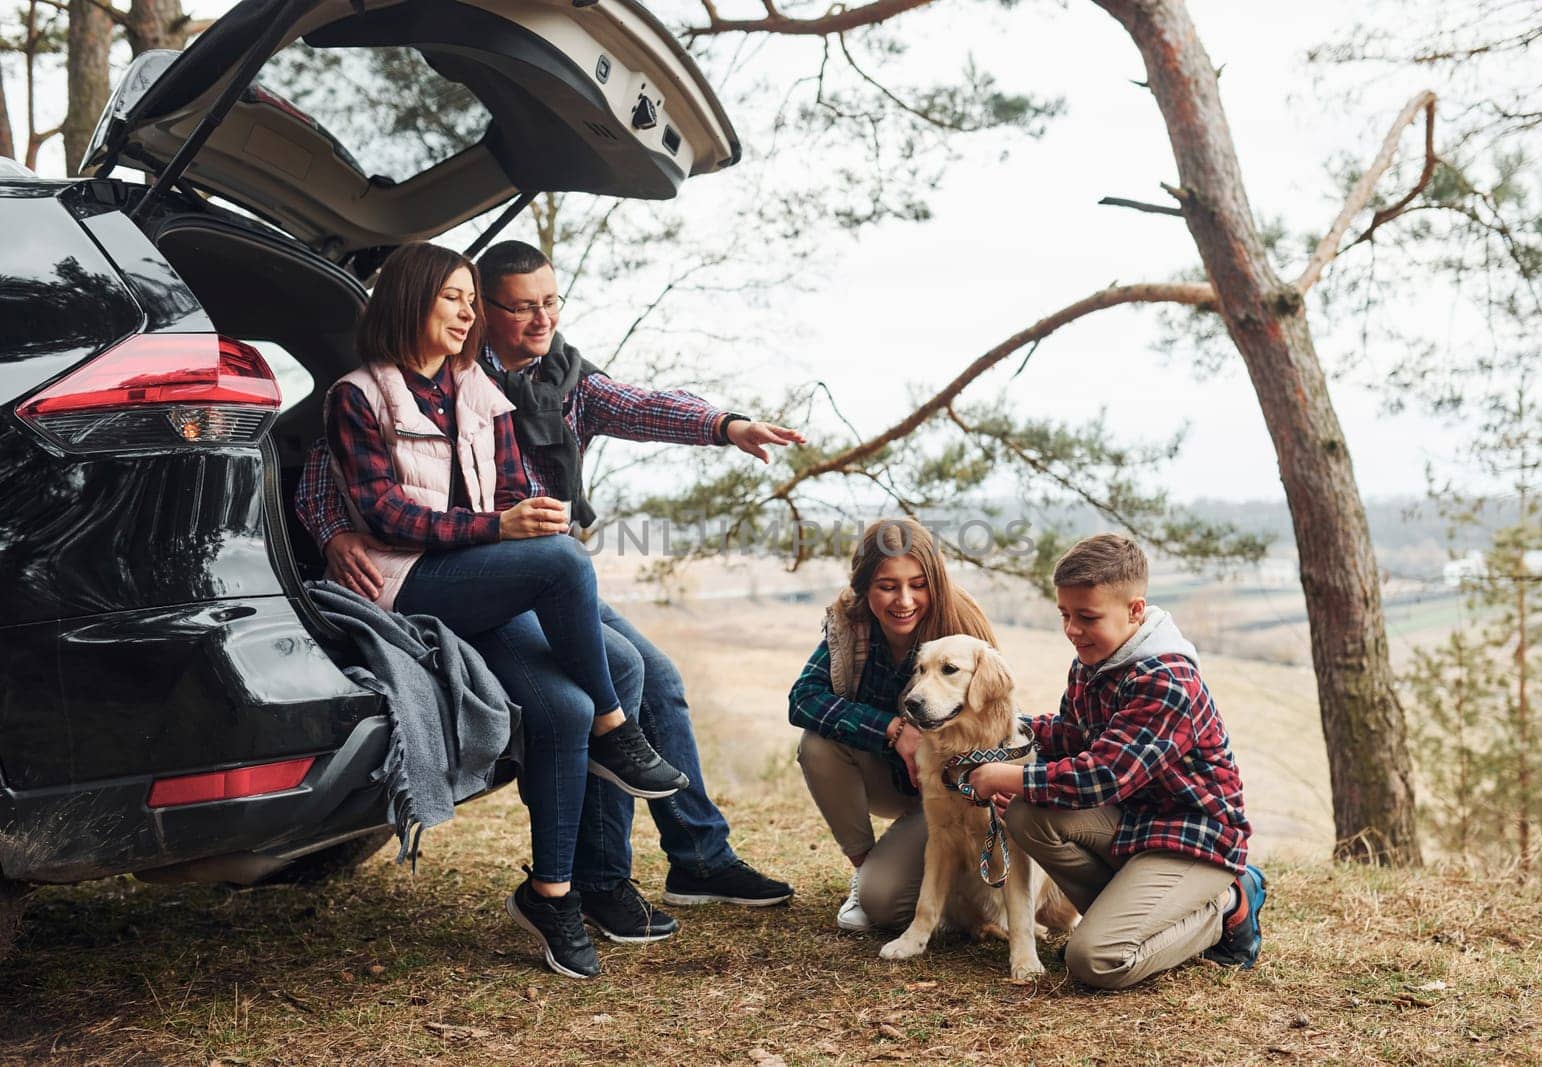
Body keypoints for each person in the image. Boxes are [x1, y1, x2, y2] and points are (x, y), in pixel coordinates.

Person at [298, 240, 801, 946]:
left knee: (641, 674)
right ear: (486, 314)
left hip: (529, 565)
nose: (542, 320)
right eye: (520, 305)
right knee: (625, 674)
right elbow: (329, 467)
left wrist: (724, 425)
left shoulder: (558, 380)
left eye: (551, 303)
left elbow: (644, 406)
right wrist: (331, 533)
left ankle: (632, 872)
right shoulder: (401, 382)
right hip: (493, 564)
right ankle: (632, 842)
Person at [966, 533, 1266, 990]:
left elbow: (1101, 775)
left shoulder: (1167, 680)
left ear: (1135, 611)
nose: (1072, 629)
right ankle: (1132, 912)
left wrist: (1003, 775)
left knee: (1094, 959)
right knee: (1028, 815)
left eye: (1087, 617)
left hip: (1193, 838)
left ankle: (1228, 902)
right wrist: (1001, 727)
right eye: (1065, 615)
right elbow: (1070, 736)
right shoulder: (1094, 662)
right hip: (1134, 825)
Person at [787, 518, 999, 931]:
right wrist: (894, 729)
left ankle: (947, 892)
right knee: (816, 745)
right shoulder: (851, 625)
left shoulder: (964, 625)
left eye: (918, 584)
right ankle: (865, 869)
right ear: (864, 587)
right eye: (888, 586)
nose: (904, 599)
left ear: (934, 583)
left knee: (886, 909)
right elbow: (803, 699)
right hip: (889, 777)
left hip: (951, 789)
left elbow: (994, 719)